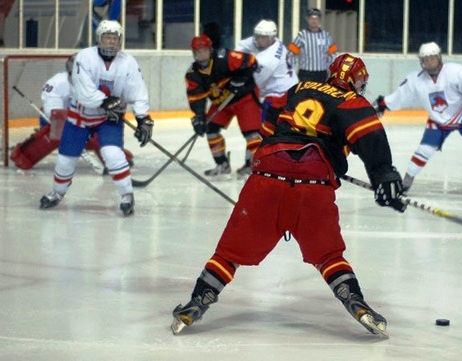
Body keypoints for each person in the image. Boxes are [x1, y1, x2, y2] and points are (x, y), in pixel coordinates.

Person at [170, 54, 406, 338]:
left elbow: (270, 122)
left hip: (267, 175)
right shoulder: (353, 102)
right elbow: (371, 140)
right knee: (329, 256)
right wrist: (384, 179)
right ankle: (356, 302)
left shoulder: (299, 88)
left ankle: (197, 302)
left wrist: (283, 154)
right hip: (313, 183)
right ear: (357, 82)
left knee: (228, 254)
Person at [39, 20, 154, 216]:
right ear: (99, 39)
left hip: (108, 119)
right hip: (79, 118)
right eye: (107, 37)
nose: (110, 42)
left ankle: (127, 196)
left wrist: (143, 118)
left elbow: (138, 93)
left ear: (120, 41)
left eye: (114, 38)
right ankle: (57, 193)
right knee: (65, 161)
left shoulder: (128, 63)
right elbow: (85, 93)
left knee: (113, 154)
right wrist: (105, 102)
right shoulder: (85, 57)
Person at [373, 41, 462, 201]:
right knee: (423, 151)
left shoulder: (456, 71)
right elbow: (400, 96)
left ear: (439, 57)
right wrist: (383, 104)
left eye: (432, 58)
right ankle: (406, 182)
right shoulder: (415, 79)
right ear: (421, 61)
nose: (430, 62)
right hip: (438, 122)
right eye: (426, 59)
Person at [186, 34, 262, 178]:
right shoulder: (193, 74)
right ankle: (222, 164)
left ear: (210, 49)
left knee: (252, 134)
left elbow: (251, 61)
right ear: (194, 53)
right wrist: (200, 117)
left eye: (204, 50)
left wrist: (241, 78)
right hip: (222, 102)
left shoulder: (224, 57)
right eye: (198, 52)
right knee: (211, 129)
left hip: (244, 98)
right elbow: (196, 98)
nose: (201, 54)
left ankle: (252, 166)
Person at [236, 19, 298, 128]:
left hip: (280, 96)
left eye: (263, 37)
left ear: (271, 37)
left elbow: (255, 84)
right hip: (289, 91)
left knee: (264, 128)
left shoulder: (267, 60)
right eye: (258, 36)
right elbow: (243, 46)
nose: (259, 39)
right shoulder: (275, 41)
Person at [288, 8, 338, 82]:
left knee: (320, 93)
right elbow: (291, 54)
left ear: (319, 20)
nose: (314, 21)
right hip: (305, 74)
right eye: (311, 18)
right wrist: (291, 71)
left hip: (321, 74)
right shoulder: (301, 35)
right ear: (307, 19)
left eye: (316, 18)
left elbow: (333, 54)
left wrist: (330, 70)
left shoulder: (326, 36)